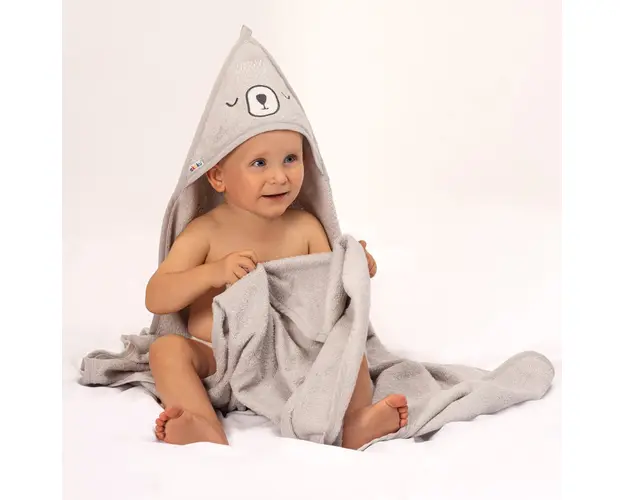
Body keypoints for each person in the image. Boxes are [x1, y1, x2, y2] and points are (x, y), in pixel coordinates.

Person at [145, 129, 408, 449]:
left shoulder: (305, 228)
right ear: (217, 177)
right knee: (166, 350)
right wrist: (213, 272)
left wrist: (352, 267)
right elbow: (156, 296)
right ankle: (202, 423)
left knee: (348, 344)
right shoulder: (204, 232)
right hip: (220, 363)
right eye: (259, 163)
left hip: (293, 366)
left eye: (290, 159)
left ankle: (355, 422)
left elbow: (328, 300)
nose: (279, 177)